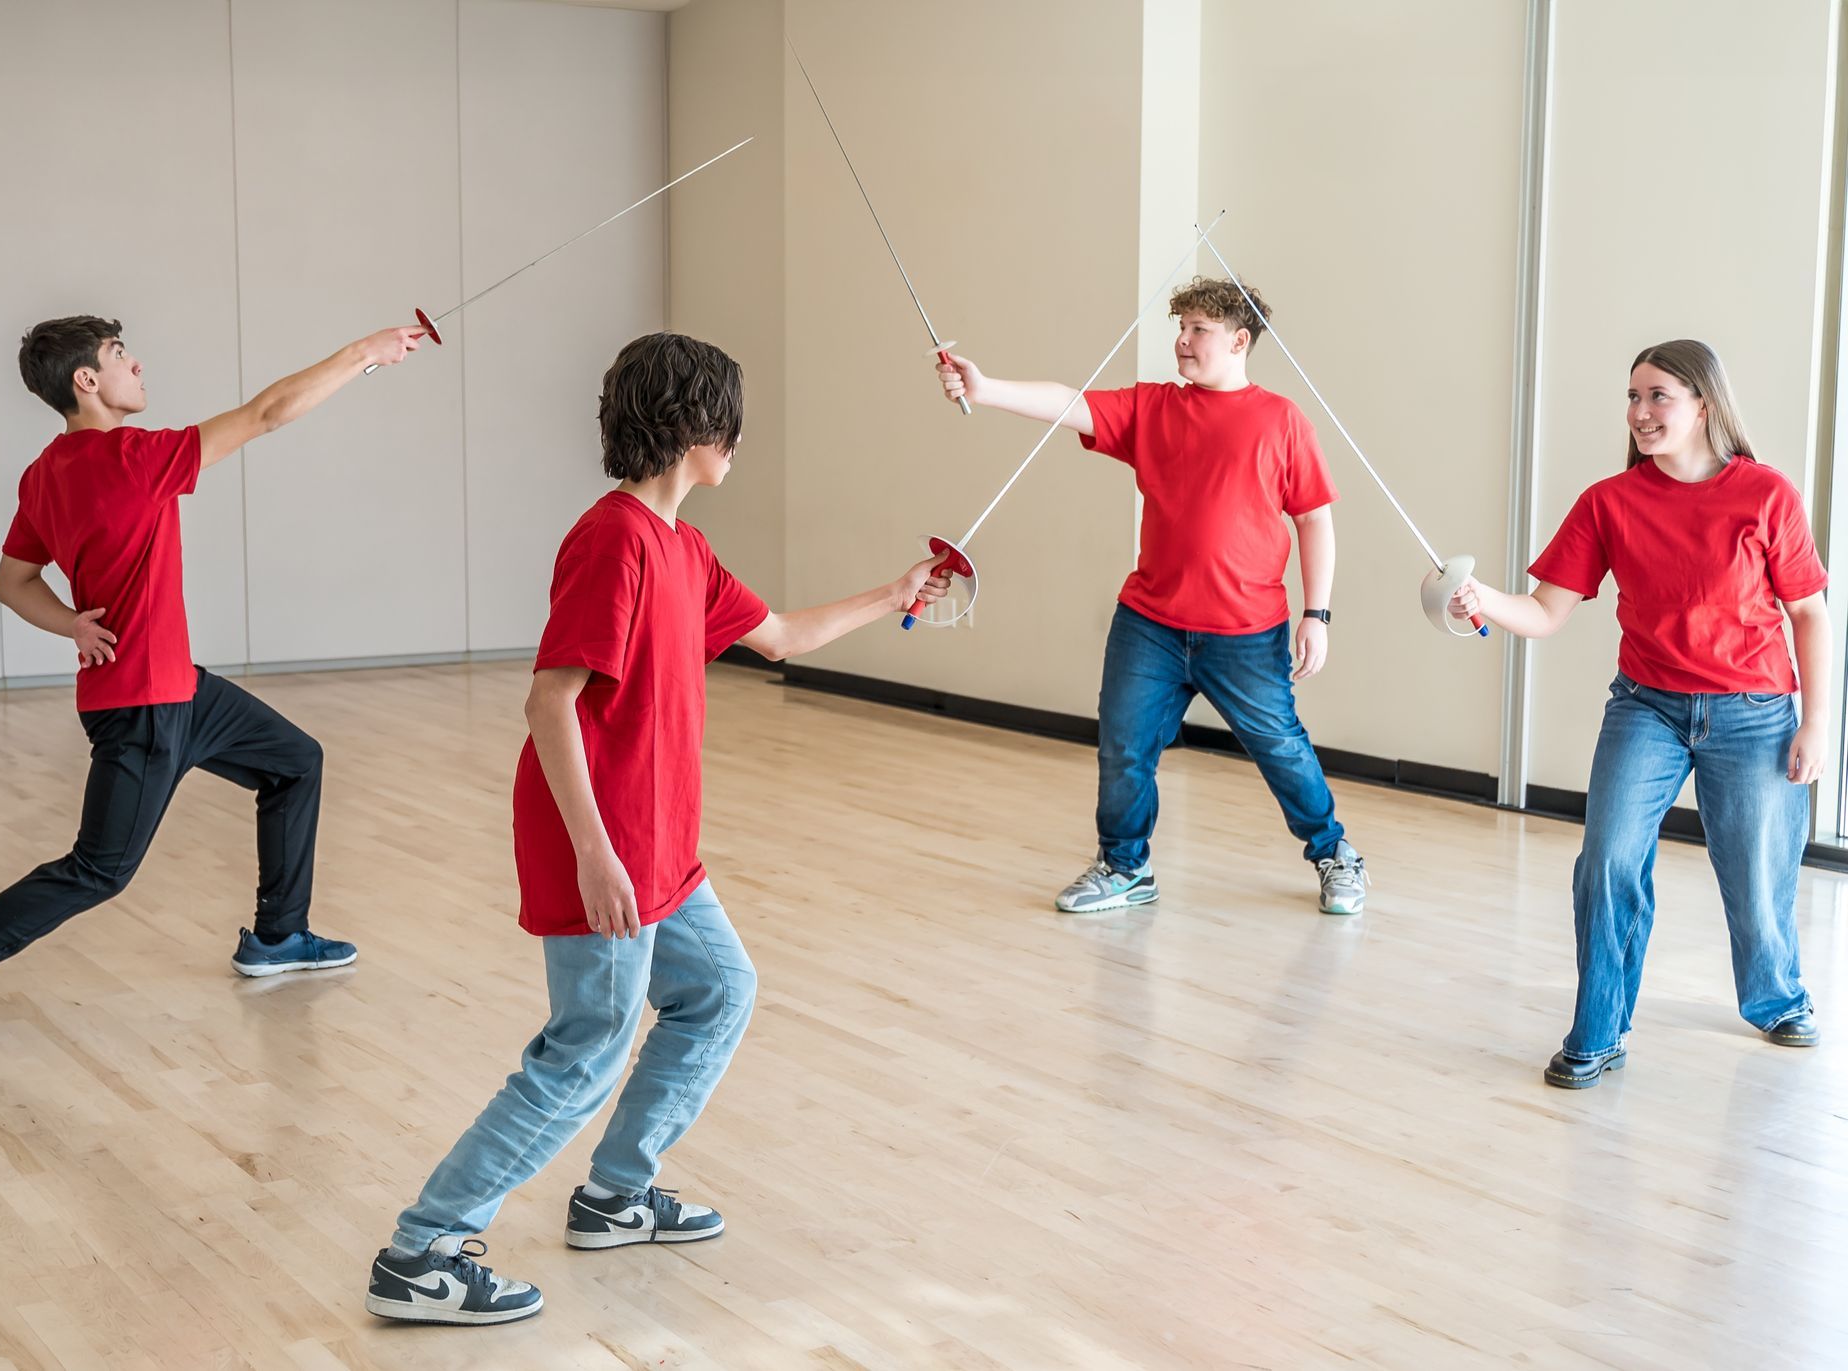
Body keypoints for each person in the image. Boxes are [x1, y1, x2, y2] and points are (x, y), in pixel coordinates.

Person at [364, 331, 954, 1326]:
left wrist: (892, 595)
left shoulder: (686, 549)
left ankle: (616, 1194)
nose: (739, 444)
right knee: (587, 1045)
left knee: (718, 990)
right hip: (607, 846)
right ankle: (423, 1248)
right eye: (730, 425)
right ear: (694, 430)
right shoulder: (617, 541)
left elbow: (780, 638)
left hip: (663, 850)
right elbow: (551, 703)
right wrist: (594, 852)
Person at [0, 316, 424, 1049]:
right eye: (120, 356)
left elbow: (13, 582)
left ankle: (279, 936)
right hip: (142, 707)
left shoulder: (46, 473)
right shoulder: (133, 457)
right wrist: (365, 354)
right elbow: (266, 414)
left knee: (295, 762)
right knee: (97, 870)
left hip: (179, 689)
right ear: (87, 381)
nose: (137, 364)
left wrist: (72, 624)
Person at [1449, 339, 1829, 1088]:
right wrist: (1480, 600)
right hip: (1646, 706)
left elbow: (1811, 614)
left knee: (1756, 872)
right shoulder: (1609, 501)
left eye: (1659, 396)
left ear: (1704, 405)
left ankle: (1777, 997)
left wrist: (1816, 723)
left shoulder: (1766, 495)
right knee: (1608, 860)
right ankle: (1600, 1025)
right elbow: (1544, 611)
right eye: (1634, 397)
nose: (1641, 412)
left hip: (1753, 709)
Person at [937, 277, 1368, 917]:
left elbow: (1314, 520)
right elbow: (1069, 403)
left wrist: (1317, 614)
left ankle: (1335, 854)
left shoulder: (1282, 421)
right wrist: (986, 388)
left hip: (1246, 632)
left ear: (1239, 341)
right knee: (1124, 746)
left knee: (1281, 748)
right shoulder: (1154, 408)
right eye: (1182, 327)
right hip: (1150, 624)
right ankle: (1124, 867)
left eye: (1199, 330)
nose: (1183, 341)